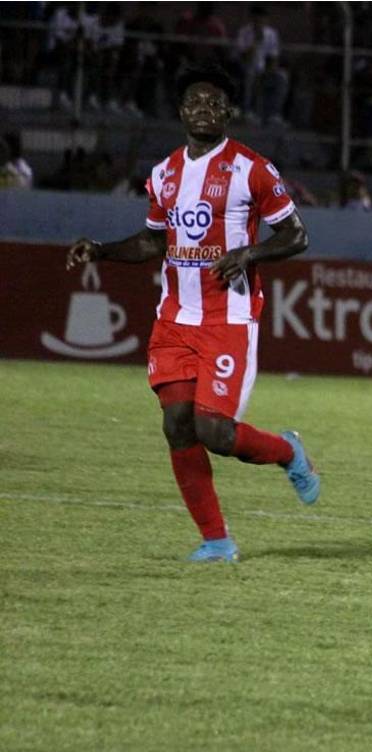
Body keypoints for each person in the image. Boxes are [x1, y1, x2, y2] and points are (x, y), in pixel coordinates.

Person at [64, 65, 319, 563]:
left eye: (213, 103)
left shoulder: (252, 169)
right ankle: (217, 541)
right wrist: (100, 249)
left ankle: (288, 451)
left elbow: (296, 235)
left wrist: (249, 253)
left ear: (228, 112)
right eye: (195, 102)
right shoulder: (164, 174)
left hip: (228, 318)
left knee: (215, 433)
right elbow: (153, 241)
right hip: (175, 319)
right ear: (181, 112)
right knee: (177, 425)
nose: (204, 109)